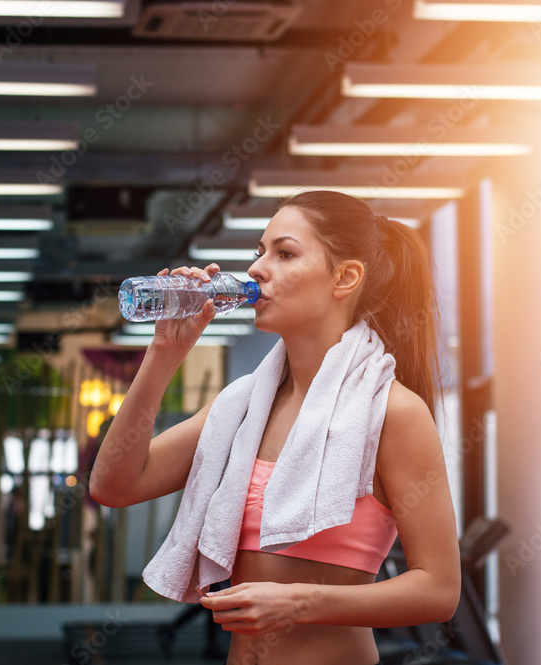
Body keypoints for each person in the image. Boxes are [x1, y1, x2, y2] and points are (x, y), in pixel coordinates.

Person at [89, 190, 461, 665]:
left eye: (284, 253)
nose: (256, 270)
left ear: (344, 277)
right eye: (259, 252)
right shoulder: (241, 408)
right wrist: (165, 354)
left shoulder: (391, 412)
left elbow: (439, 590)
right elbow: (113, 485)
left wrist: (301, 602)